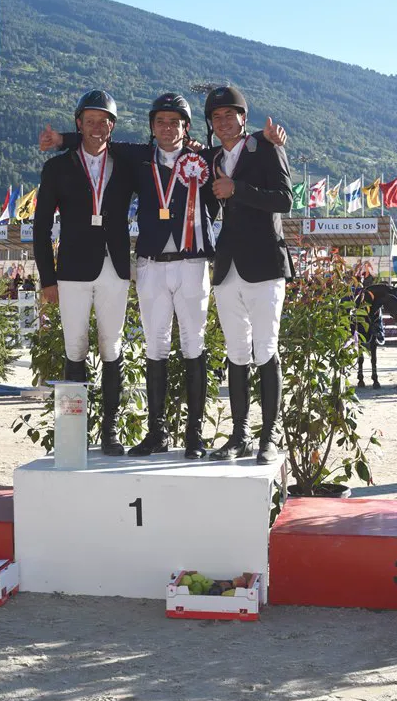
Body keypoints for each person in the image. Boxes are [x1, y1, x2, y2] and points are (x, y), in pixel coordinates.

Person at [40, 95, 286, 460]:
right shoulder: (138, 158)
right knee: (154, 346)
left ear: (187, 128)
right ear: (152, 128)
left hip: (193, 263)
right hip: (151, 264)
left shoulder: (206, 158)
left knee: (193, 345)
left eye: (175, 122)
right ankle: (157, 432)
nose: (167, 128)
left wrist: (267, 139)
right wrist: (63, 138)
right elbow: (98, 137)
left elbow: (238, 144)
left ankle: (194, 435)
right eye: (160, 122)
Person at [33, 90, 135, 456]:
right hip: (73, 270)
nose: (96, 127)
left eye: (103, 121)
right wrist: (47, 279)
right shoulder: (56, 168)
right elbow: (41, 227)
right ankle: (73, 432)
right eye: (89, 121)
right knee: (74, 348)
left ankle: (110, 431)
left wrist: (65, 137)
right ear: (78, 123)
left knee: (112, 347)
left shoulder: (126, 164)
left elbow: (152, 150)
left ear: (113, 126)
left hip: (114, 268)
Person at [204, 86, 294, 465]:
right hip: (228, 268)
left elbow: (285, 200)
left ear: (243, 117)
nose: (223, 122)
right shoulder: (209, 157)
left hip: (265, 264)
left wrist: (236, 188)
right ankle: (239, 436)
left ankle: (269, 436)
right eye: (217, 117)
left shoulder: (266, 147)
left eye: (230, 114)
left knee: (266, 349)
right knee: (236, 352)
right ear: (210, 123)